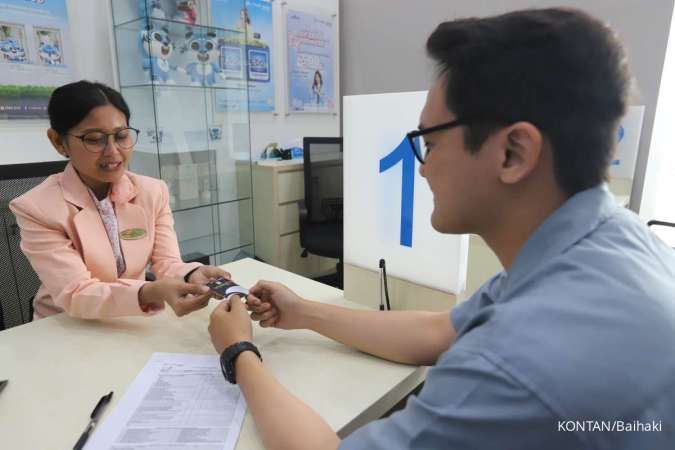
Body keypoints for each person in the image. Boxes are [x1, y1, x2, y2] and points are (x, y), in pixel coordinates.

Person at [207, 8, 675, 450]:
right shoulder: (607, 242)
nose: (424, 170)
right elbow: (438, 331)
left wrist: (239, 352)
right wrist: (304, 312)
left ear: (514, 153)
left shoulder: (514, 366)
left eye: (429, 143)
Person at [10, 80, 230, 320]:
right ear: (58, 142)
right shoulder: (37, 208)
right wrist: (149, 292)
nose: (113, 152)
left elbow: (167, 262)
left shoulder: (152, 191)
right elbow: (75, 293)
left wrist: (192, 274)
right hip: (66, 323)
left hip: (131, 317)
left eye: (122, 136)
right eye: (94, 139)